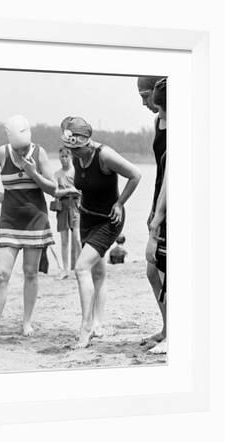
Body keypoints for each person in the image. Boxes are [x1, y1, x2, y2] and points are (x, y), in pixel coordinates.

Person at [61, 116, 141, 348]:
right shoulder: (77, 157)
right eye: (70, 149)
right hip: (86, 217)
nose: (73, 153)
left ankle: (86, 326)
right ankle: (98, 323)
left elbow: (136, 175)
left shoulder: (104, 155)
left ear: (87, 142)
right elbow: (84, 185)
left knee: (81, 267)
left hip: (109, 220)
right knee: (97, 273)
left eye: (77, 149)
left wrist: (120, 203)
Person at [0, 115, 57, 345]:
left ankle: (27, 321)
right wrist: (1, 197)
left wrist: (34, 173)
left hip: (35, 221)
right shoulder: (2, 153)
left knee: (31, 273)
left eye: (24, 148)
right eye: (18, 149)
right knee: (2, 274)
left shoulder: (39, 153)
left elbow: (53, 188)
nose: (22, 153)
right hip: (9, 222)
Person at [137, 75, 167, 346]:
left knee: (166, 271)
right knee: (152, 272)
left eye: (146, 96)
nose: (144, 102)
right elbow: (160, 172)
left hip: (170, 204)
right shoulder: (157, 121)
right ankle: (168, 328)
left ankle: (174, 331)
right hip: (158, 198)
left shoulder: (180, 122)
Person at [53, 146, 82, 279]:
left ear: (70, 157)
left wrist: (71, 190)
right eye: (62, 156)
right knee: (64, 240)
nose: (64, 159)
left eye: (66, 156)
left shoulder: (75, 172)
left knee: (77, 238)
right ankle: (65, 269)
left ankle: (80, 267)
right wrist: (69, 190)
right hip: (62, 206)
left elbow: (81, 190)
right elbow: (55, 192)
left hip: (75, 205)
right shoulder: (57, 174)